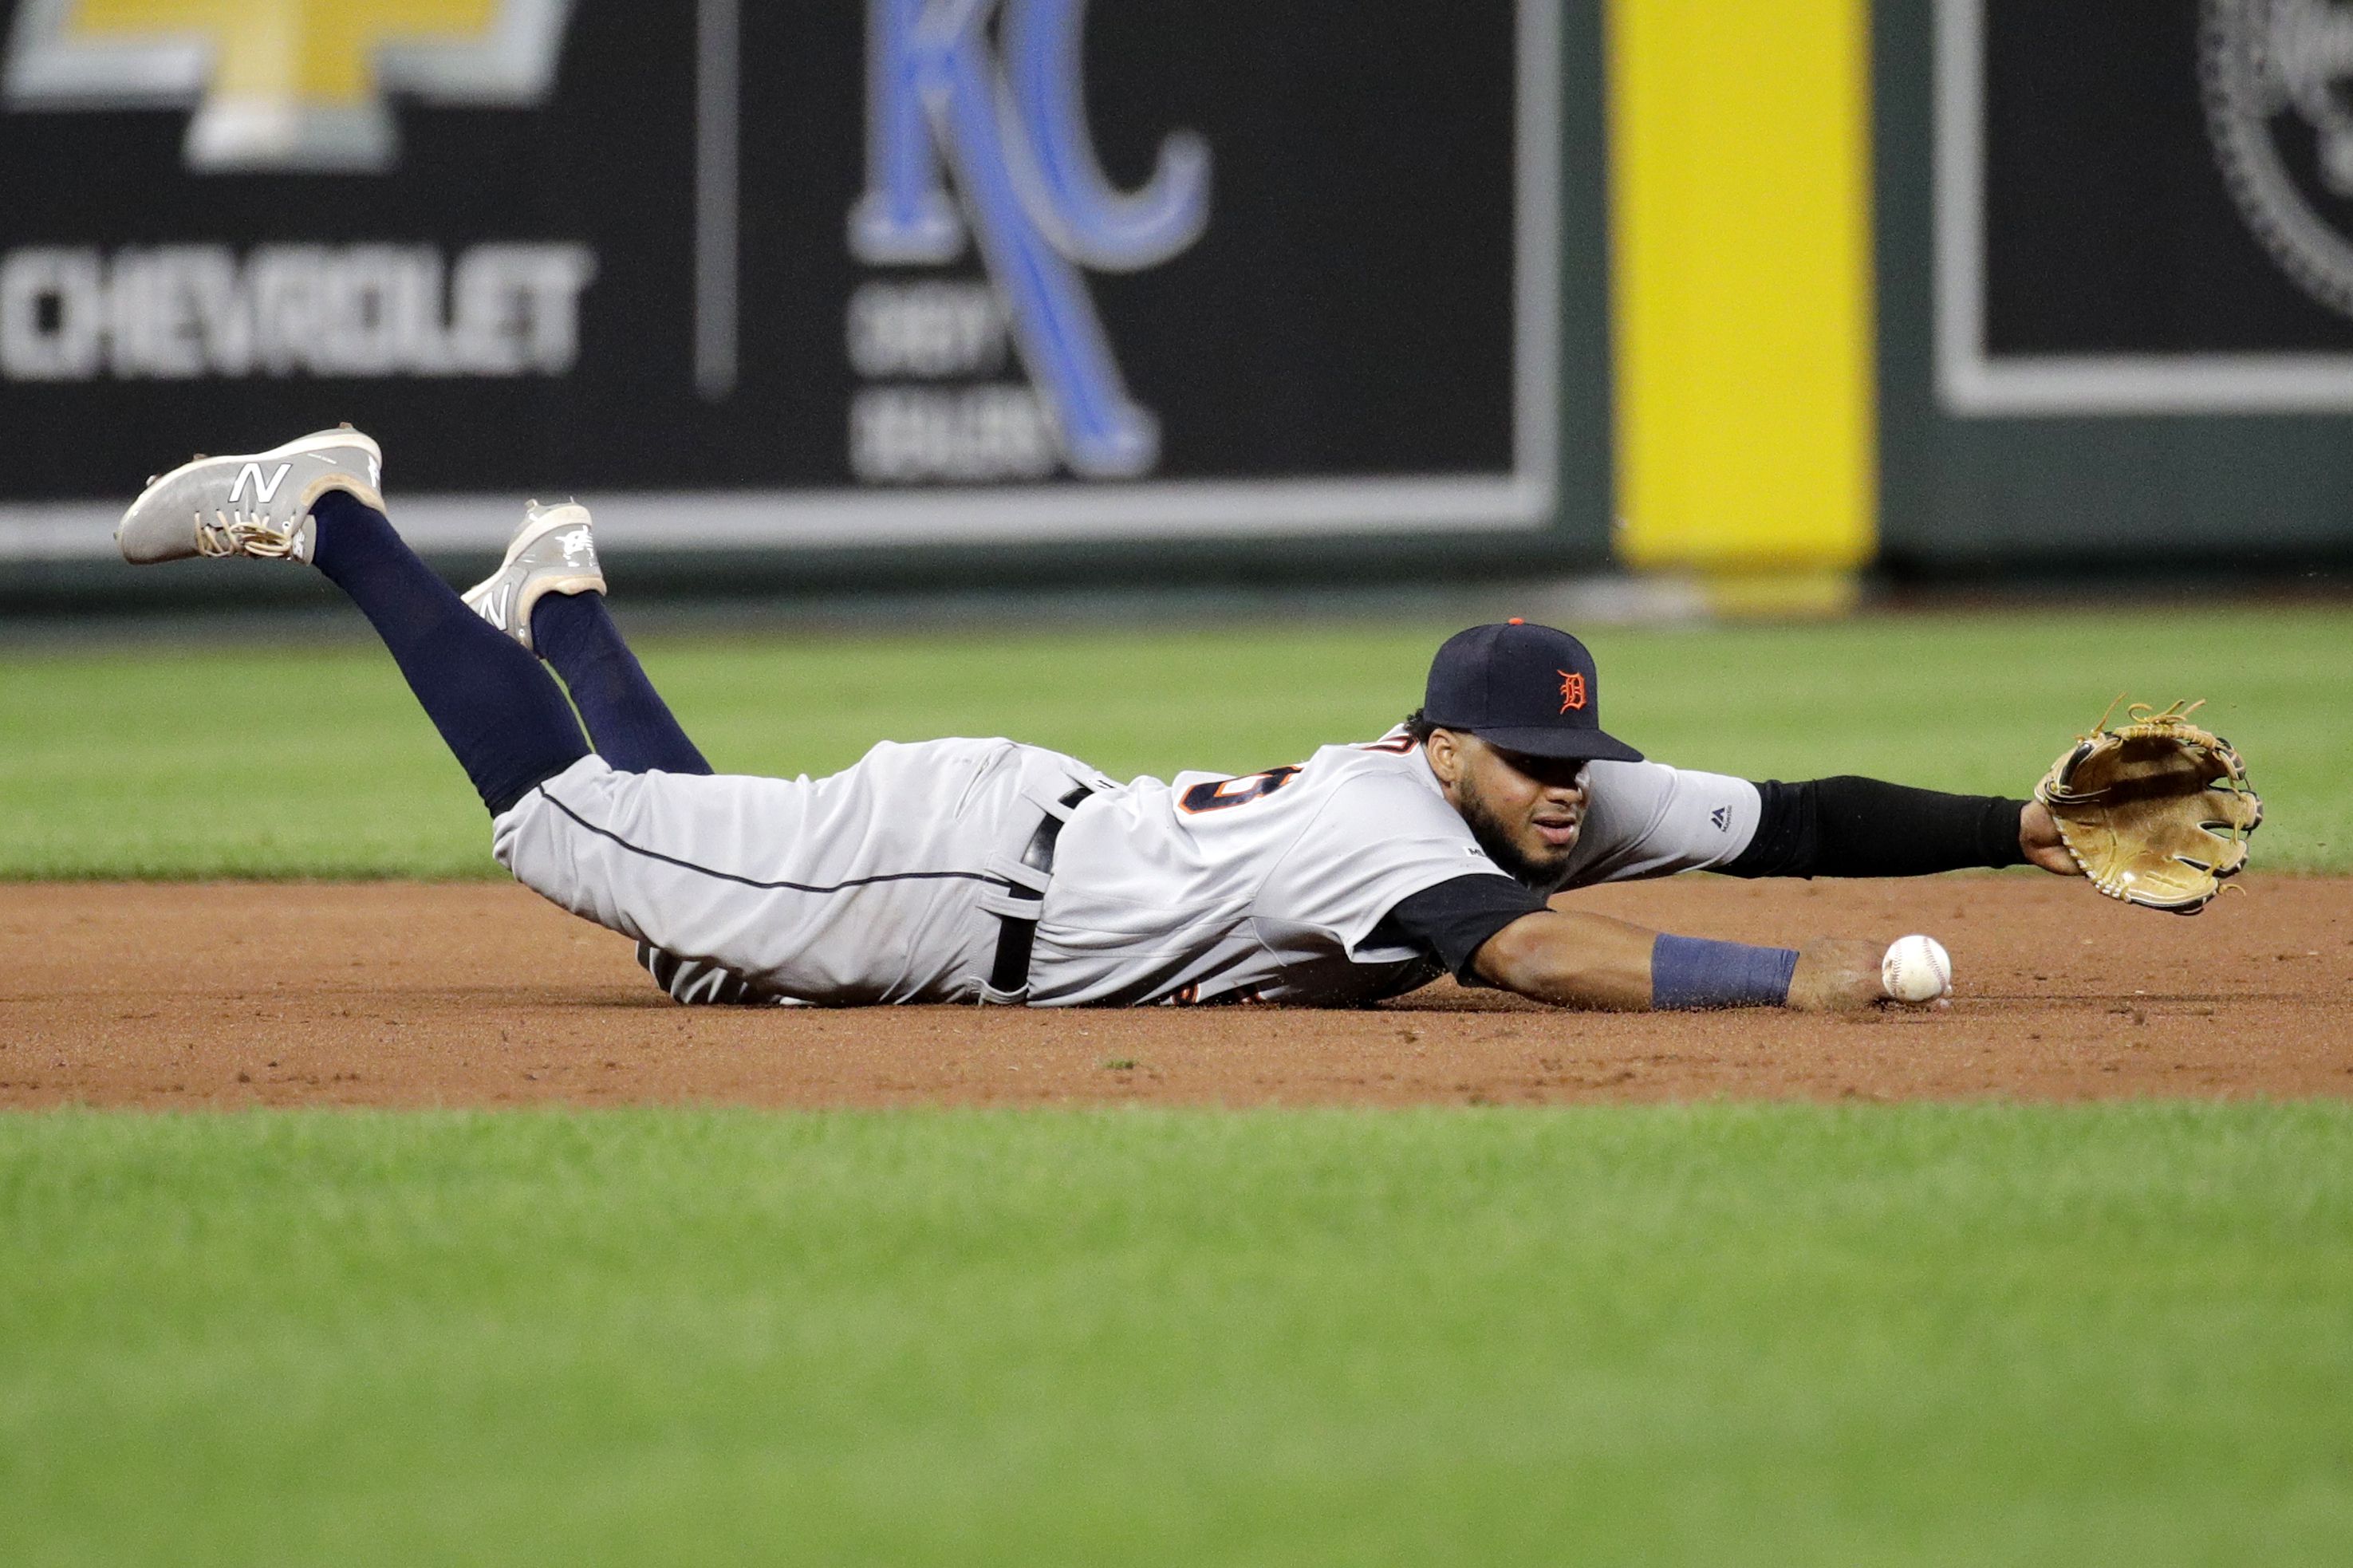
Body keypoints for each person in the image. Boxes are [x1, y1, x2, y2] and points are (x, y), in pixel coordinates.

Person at [116, 427, 2075, 1011]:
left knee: (694, 942)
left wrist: (2016, 827)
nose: (1565, 793)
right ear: (1443, 744)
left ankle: (556, 595)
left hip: (1009, 861)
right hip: (965, 878)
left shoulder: (1538, 787)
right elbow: (1537, 956)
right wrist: (1787, 991)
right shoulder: (1398, 833)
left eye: (1579, 763)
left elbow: (1798, 809)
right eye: (1532, 765)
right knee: (572, 832)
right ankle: (339, 510)